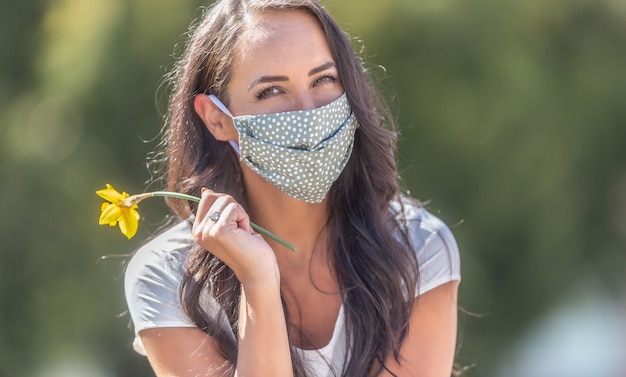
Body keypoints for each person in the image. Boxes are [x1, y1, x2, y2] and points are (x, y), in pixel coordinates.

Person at [124, 0, 461, 376]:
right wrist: (258, 283)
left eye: (323, 80)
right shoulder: (167, 276)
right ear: (217, 119)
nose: (307, 112)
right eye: (271, 91)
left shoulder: (418, 247)